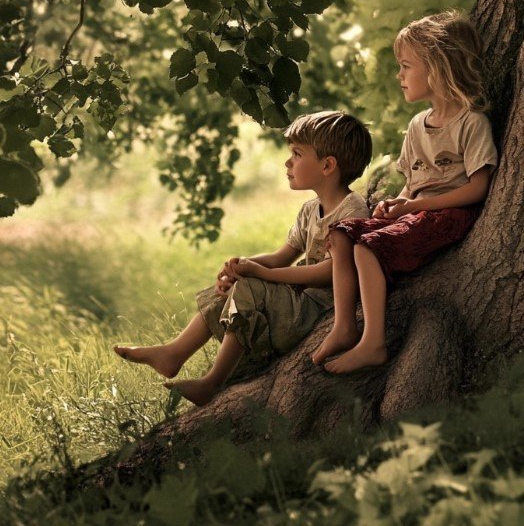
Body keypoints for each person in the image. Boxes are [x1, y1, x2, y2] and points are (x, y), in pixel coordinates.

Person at [113, 110, 373, 405]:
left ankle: (212, 382)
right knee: (238, 282)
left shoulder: (352, 209)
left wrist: (261, 275)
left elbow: (332, 272)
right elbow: (280, 257)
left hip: (316, 310)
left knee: (249, 287)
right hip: (296, 301)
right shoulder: (309, 210)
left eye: (297, 154)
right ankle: (174, 352)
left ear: (327, 165)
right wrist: (242, 265)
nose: (288, 162)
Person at [311, 12, 498, 374]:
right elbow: (412, 183)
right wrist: (399, 202)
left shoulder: (471, 123)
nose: (399, 75)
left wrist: (416, 205)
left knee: (368, 247)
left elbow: (478, 188)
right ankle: (344, 326)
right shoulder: (416, 125)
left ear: (438, 69)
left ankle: (373, 343)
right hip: (417, 211)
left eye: (406, 66)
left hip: (450, 214)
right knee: (342, 233)